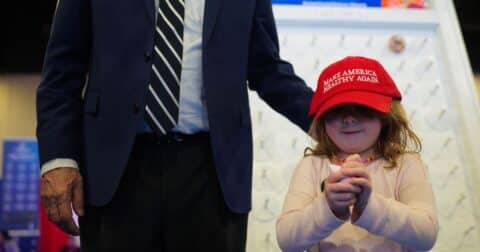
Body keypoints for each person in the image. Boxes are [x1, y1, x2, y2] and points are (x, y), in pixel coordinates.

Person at [36, 0, 313, 251]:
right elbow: (61, 76)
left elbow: (267, 69)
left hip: (213, 174)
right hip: (117, 171)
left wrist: (327, 118)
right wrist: (59, 160)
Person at [276, 56, 439, 252]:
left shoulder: (406, 163)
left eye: (362, 108)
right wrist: (329, 207)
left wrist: (369, 205)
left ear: (386, 116)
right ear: (322, 118)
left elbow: (426, 235)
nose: (349, 119)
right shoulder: (312, 165)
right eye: (336, 110)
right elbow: (286, 240)